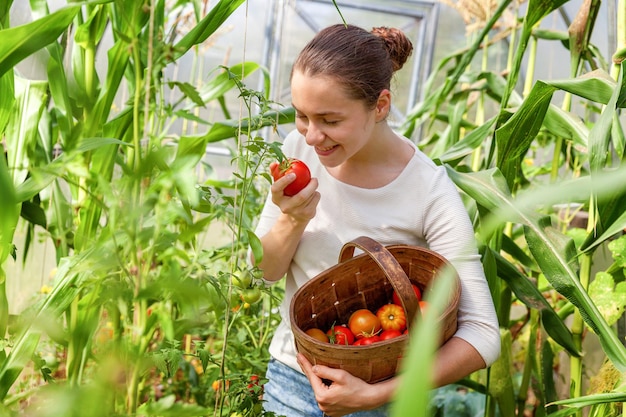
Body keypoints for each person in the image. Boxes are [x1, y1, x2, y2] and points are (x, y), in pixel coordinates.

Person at [252, 23, 500, 417]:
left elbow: (483, 334)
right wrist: (291, 219)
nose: (312, 136)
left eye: (330, 120)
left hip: (381, 398)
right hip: (290, 381)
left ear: (381, 105)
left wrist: (374, 397)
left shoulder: (429, 191)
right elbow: (265, 271)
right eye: (301, 115)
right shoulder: (297, 151)